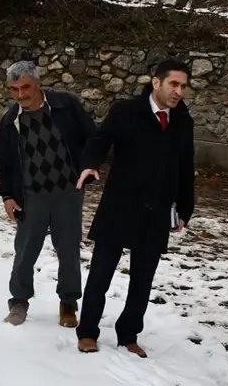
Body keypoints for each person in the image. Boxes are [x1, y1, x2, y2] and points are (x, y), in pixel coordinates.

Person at [74, 58, 195, 357]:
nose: (178, 91)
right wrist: (90, 165)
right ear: (156, 82)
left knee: (142, 280)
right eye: (173, 84)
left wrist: (184, 207)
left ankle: (129, 334)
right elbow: (100, 140)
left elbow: (185, 165)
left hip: (156, 211)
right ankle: (88, 331)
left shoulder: (183, 120)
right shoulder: (126, 111)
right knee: (101, 274)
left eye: (183, 86)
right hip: (120, 205)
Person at [0, 61, 97, 328]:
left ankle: (68, 303)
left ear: (38, 84)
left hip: (67, 193)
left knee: (69, 250)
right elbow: (4, 163)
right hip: (31, 197)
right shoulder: (10, 121)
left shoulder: (65, 106)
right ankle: (19, 301)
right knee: (25, 251)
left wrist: (90, 166)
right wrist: (7, 196)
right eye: (14, 89)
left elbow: (92, 137)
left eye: (25, 87)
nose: (20, 95)